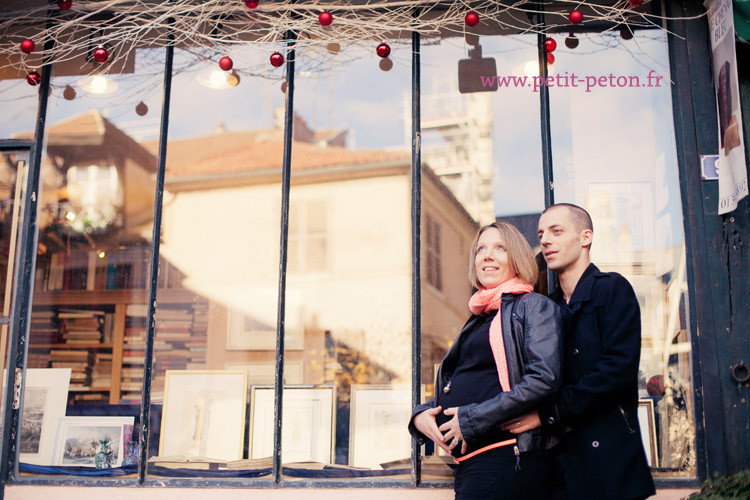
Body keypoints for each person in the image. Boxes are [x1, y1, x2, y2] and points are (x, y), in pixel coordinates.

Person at [503, 203, 656, 500]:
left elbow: (616, 372)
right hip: (560, 464)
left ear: (586, 237)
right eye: (541, 233)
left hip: (609, 463)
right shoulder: (545, 307)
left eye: (556, 231)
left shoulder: (611, 289)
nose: (545, 240)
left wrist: (548, 414)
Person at [409, 221, 563, 500]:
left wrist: (470, 419)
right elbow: (465, 384)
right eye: (481, 249)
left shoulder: (533, 306)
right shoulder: (480, 317)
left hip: (506, 459)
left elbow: (543, 380)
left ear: (517, 259)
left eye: (500, 248)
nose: (487, 255)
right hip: (474, 464)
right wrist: (421, 415)